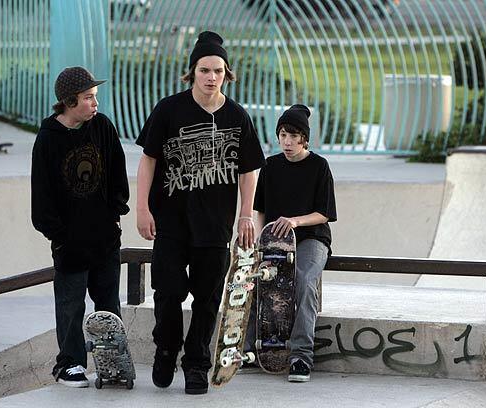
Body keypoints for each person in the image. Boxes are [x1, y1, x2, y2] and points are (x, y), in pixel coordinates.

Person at [136, 31, 265, 395]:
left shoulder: (237, 116)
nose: (211, 77)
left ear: (227, 74)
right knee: (167, 291)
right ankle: (166, 348)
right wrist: (142, 207)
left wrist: (245, 216)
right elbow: (148, 160)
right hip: (170, 221)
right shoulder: (169, 109)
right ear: (192, 72)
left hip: (215, 226)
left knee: (208, 299)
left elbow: (248, 170)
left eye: (218, 71)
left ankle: (196, 363)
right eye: (205, 70)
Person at [31, 66, 130, 388]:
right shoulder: (48, 138)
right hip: (69, 242)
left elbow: (117, 170)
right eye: (88, 98)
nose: (95, 103)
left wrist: (115, 213)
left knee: (108, 306)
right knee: (71, 307)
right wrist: (58, 235)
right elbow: (41, 194)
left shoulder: (101, 126)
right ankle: (69, 364)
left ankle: (112, 361)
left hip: (104, 236)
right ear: (69, 101)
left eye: (95, 97)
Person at [251, 104, 337, 382]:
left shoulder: (319, 166)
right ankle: (252, 349)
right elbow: (261, 209)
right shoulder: (270, 166)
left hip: (311, 237)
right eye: (283, 136)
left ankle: (301, 356)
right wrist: (259, 241)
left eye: (294, 137)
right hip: (276, 241)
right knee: (257, 280)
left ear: (304, 139)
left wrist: (295, 221)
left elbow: (324, 213)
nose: (288, 143)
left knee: (304, 280)